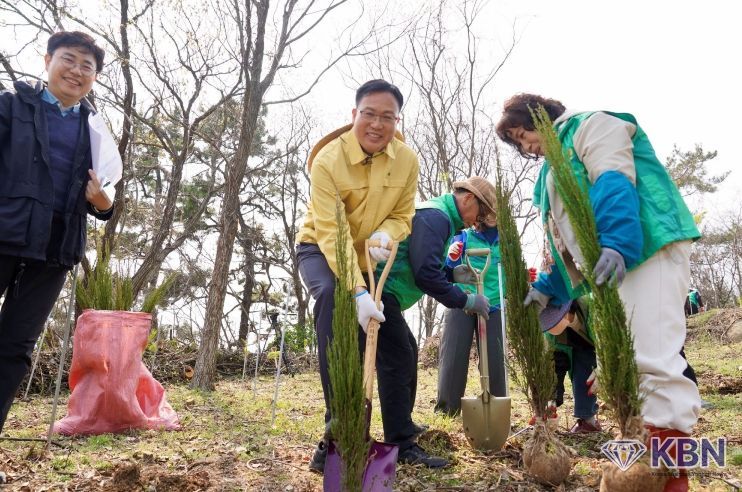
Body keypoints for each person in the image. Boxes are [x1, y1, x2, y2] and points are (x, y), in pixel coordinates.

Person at [497, 94, 701, 492]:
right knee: (629, 367)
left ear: (540, 116)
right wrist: (546, 288)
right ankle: (644, 473)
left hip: (647, 249)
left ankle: (672, 480)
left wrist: (618, 242)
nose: (526, 147)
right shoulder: (550, 171)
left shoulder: (591, 126)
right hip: (614, 266)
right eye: (519, 144)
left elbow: (613, 177)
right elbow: (566, 243)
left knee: (653, 360)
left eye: (523, 135)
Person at [296, 79, 427, 472]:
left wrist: (388, 232)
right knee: (332, 302)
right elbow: (332, 232)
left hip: (370, 257)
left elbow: (403, 214)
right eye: (369, 114)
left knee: (397, 343)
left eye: (387, 116)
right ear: (354, 114)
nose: (377, 124)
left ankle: (402, 440)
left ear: (397, 120)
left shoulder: (407, 161)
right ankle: (335, 439)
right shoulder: (327, 161)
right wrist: (356, 292)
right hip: (320, 249)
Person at [0, 31, 115, 434]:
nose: (77, 71)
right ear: (47, 60)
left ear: (94, 77)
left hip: (55, 250)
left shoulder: (95, 130)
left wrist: (103, 203)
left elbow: (106, 196)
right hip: (4, 235)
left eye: (87, 66)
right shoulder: (11, 106)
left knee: (14, 349)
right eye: (69, 59)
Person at [377, 176, 495, 466]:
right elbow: (425, 274)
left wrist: (453, 274)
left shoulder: (440, 217)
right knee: (398, 360)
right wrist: (465, 300)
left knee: (407, 349)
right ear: (468, 198)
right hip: (380, 292)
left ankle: (404, 426)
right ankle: (401, 444)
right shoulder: (436, 217)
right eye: (479, 213)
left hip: (387, 294)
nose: (477, 222)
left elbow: (426, 263)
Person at [434, 219, 506, 416]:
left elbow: (510, 271)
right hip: (463, 299)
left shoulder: (506, 240)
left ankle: (497, 408)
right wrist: (452, 256)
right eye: (486, 208)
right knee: (454, 353)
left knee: (495, 358)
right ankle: (447, 409)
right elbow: (449, 268)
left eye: (494, 208)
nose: (491, 214)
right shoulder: (464, 235)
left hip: (493, 303)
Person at [539, 299, 601, 433]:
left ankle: (588, 421)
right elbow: (555, 363)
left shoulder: (593, 312)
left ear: (567, 311)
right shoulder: (552, 334)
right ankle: (583, 420)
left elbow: (608, 345)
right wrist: (551, 400)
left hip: (594, 345)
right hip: (570, 344)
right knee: (570, 371)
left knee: (585, 371)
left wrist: (602, 369)